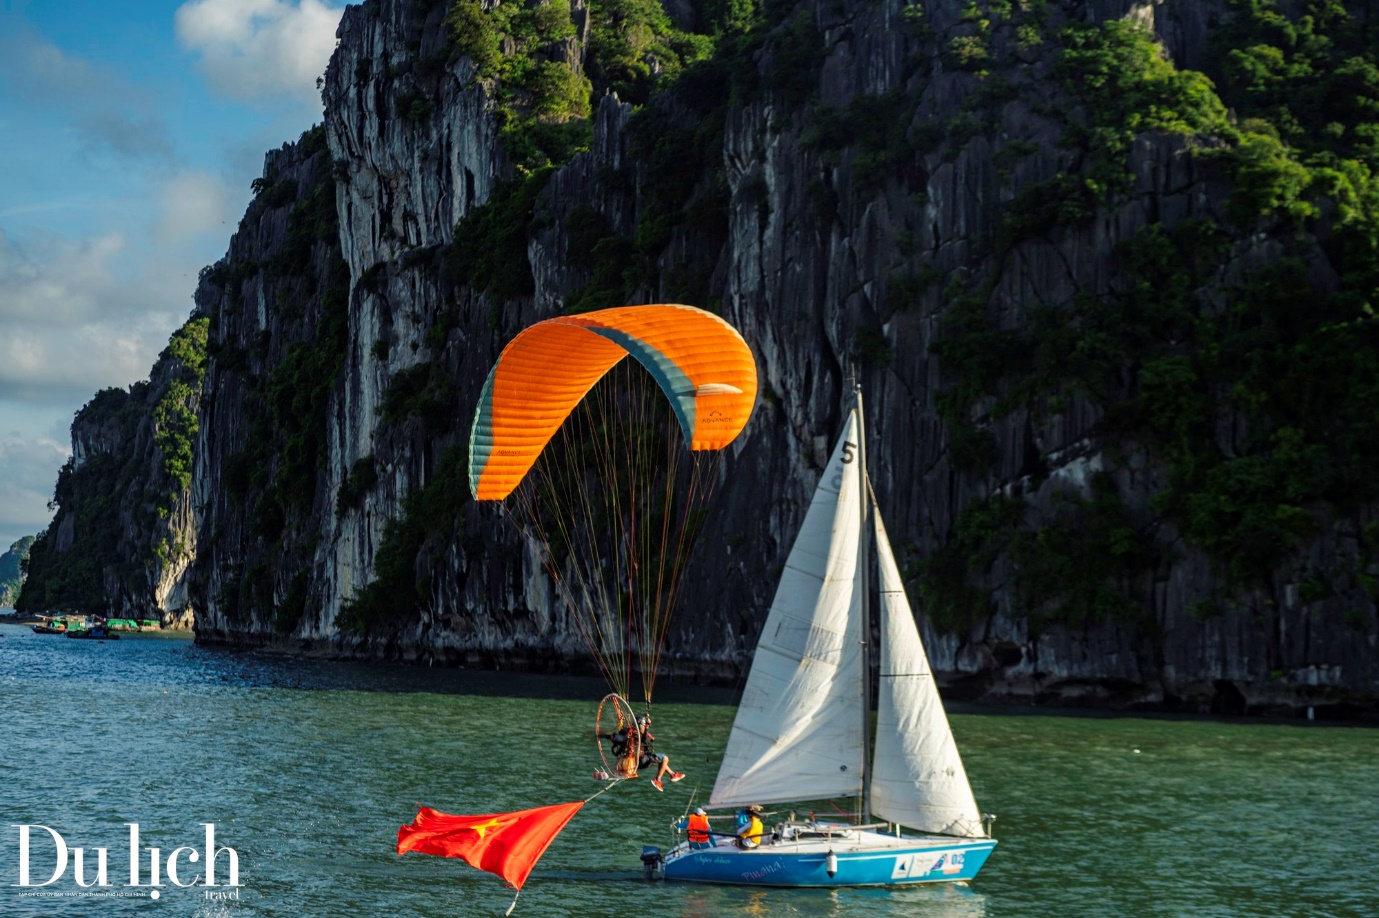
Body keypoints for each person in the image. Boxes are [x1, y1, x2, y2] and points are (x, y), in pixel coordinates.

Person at [636, 714, 685, 791]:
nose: (645, 727)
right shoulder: (640, 735)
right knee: (665, 759)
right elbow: (644, 738)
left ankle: (672, 774)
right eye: (644, 725)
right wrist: (647, 727)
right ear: (640, 726)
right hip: (642, 762)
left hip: (637, 762)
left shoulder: (631, 733)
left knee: (660, 760)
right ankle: (657, 780)